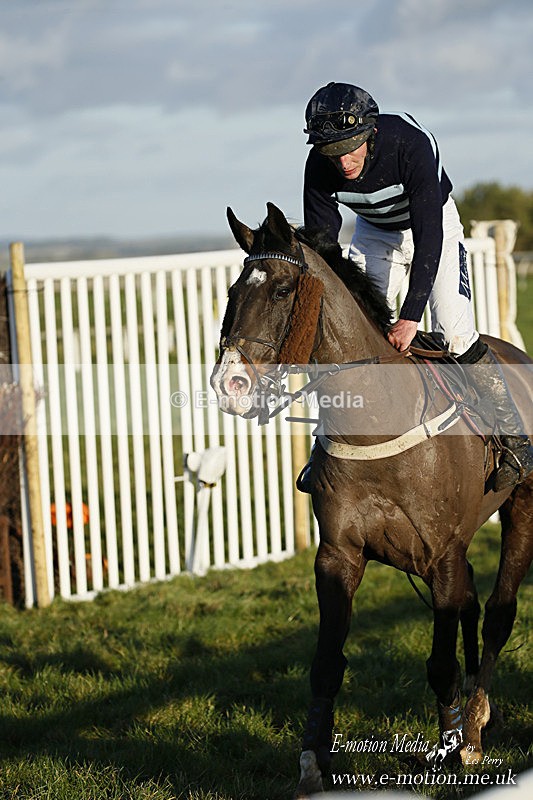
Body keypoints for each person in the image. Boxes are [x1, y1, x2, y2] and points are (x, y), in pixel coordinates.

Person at [298, 81, 533, 492]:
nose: (342, 161)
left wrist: (409, 316)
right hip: (375, 234)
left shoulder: (410, 143)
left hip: (433, 226)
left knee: (454, 334)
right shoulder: (318, 165)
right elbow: (323, 246)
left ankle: (516, 442)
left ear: (370, 134)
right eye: (331, 151)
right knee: (355, 335)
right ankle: (328, 446)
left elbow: (429, 238)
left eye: (349, 147)